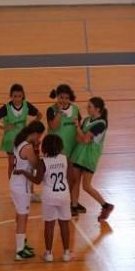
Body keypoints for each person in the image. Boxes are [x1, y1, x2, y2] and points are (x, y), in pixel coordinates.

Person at [22, 134, 73, 262]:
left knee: (49, 225)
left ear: (45, 147)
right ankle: (66, 253)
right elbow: (73, 178)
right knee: (64, 224)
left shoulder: (43, 162)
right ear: (60, 146)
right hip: (64, 195)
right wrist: (67, 191)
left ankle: (49, 253)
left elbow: (37, 180)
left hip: (49, 196)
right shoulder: (65, 159)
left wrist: (25, 173)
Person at [71, 96, 114, 221]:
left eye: (90, 106)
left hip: (89, 157)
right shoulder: (86, 120)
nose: (87, 108)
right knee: (75, 182)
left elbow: (85, 139)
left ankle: (106, 205)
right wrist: (82, 135)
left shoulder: (101, 123)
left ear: (98, 109)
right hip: (79, 154)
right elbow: (79, 139)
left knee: (86, 186)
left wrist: (77, 128)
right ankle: (74, 206)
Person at [9, 121, 45, 260]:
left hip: (15, 182)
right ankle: (19, 251)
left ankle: (22, 243)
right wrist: (37, 150)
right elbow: (35, 165)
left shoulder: (20, 141)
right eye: (39, 136)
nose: (39, 139)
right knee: (23, 217)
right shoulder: (28, 147)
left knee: (20, 214)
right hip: (22, 185)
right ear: (35, 134)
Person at [0, 83, 41, 186]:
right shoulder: (6, 108)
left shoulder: (26, 105)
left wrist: (31, 127)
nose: (17, 99)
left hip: (24, 140)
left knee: (28, 164)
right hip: (10, 141)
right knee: (12, 164)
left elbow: (39, 114)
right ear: (11, 96)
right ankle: (12, 186)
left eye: (20, 96)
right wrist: (3, 127)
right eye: (15, 96)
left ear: (23, 96)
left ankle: (30, 190)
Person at [46, 84, 82, 215]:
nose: (63, 100)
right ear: (57, 97)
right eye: (61, 97)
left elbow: (79, 128)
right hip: (56, 152)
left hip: (72, 149)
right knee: (59, 179)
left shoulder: (76, 109)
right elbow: (54, 126)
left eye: (66, 98)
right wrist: (60, 111)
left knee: (72, 178)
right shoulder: (51, 110)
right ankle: (63, 202)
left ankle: (70, 201)